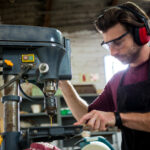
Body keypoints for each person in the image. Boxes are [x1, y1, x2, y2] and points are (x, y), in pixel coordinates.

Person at [59, 1, 150, 150]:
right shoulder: (117, 80)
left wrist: (117, 118)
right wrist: (63, 83)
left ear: (140, 34)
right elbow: (88, 116)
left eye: (118, 42)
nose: (112, 52)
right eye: (108, 45)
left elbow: (113, 118)